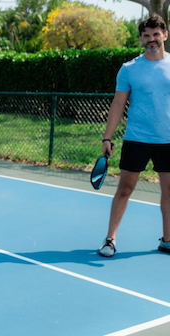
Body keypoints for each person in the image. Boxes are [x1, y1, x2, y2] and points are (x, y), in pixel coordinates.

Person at [98, 14, 170, 257]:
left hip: (168, 141)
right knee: (125, 189)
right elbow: (118, 106)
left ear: (165, 35)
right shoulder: (129, 69)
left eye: (156, 34)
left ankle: (167, 240)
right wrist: (107, 138)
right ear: (141, 39)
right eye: (147, 35)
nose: (151, 39)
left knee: (169, 192)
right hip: (137, 138)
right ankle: (110, 239)